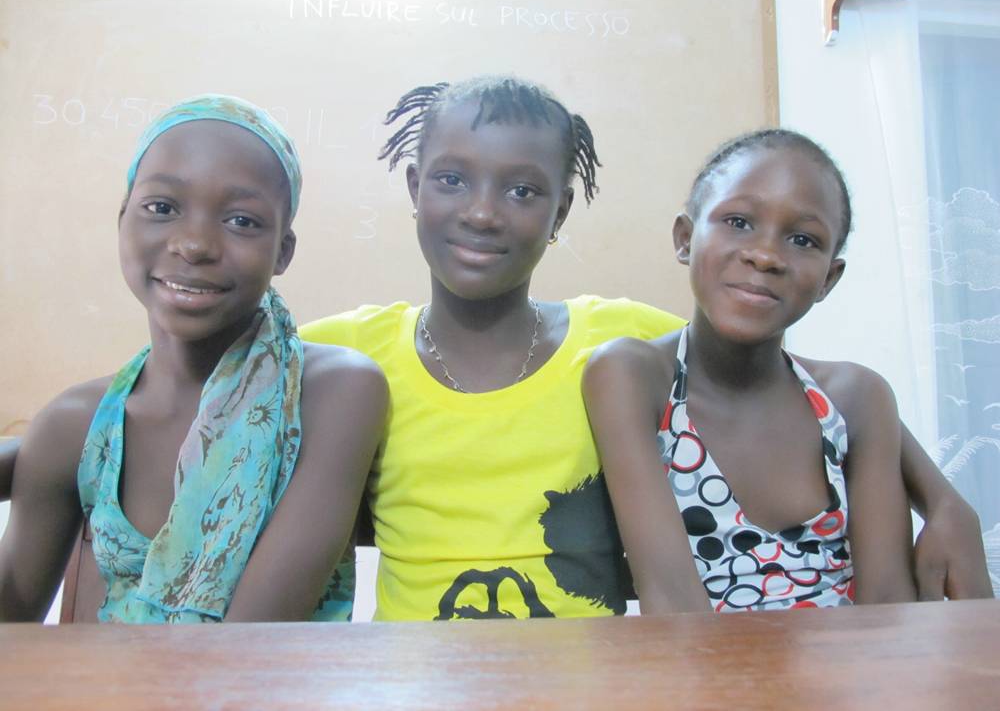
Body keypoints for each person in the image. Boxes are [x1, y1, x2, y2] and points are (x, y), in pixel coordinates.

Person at [302, 77, 989, 621]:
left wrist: (946, 501)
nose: (482, 212)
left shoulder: (616, 337)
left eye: (522, 190)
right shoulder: (344, 352)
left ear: (559, 212)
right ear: (415, 187)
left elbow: (776, 377)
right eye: (452, 179)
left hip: (599, 685)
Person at [0, 95, 387, 623]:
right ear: (122, 219)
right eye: (162, 208)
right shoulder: (76, 426)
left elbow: (251, 639)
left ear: (283, 251)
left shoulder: (334, 393)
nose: (195, 244)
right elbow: (11, 627)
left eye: (242, 220)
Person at [583, 129, 928, 612]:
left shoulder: (856, 397)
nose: (765, 256)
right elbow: (672, 603)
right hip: (699, 659)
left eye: (803, 240)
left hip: (855, 658)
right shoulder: (632, 376)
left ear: (829, 278)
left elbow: (889, 602)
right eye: (739, 222)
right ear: (685, 239)